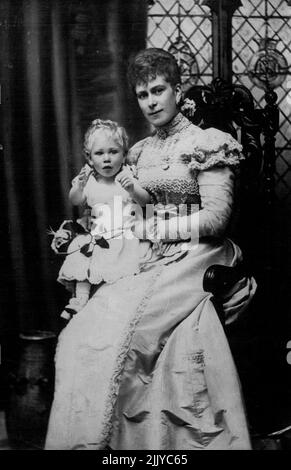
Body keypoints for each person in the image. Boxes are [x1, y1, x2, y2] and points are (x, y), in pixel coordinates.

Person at [45, 48, 257, 450]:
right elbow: (115, 206)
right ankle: (103, 444)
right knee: (84, 332)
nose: (151, 102)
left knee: (132, 332)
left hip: (202, 252)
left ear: (177, 90)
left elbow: (215, 218)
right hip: (147, 253)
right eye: (143, 95)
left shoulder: (206, 142)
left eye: (159, 90)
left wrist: (160, 227)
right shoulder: (139, 151)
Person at [51, 118, 151, 320]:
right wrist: (78, 188)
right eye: (99, 153)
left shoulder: (127, 176)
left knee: (121, 270)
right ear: (89, 158)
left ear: (123, 155)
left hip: (124, 233)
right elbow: (76, 200)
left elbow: (145, 201)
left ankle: (116, 301)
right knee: (84, 256)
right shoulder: (89, 180)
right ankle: (79, 299)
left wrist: (132, 188)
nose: (107, 159)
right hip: (98, 234)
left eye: (113, 152)